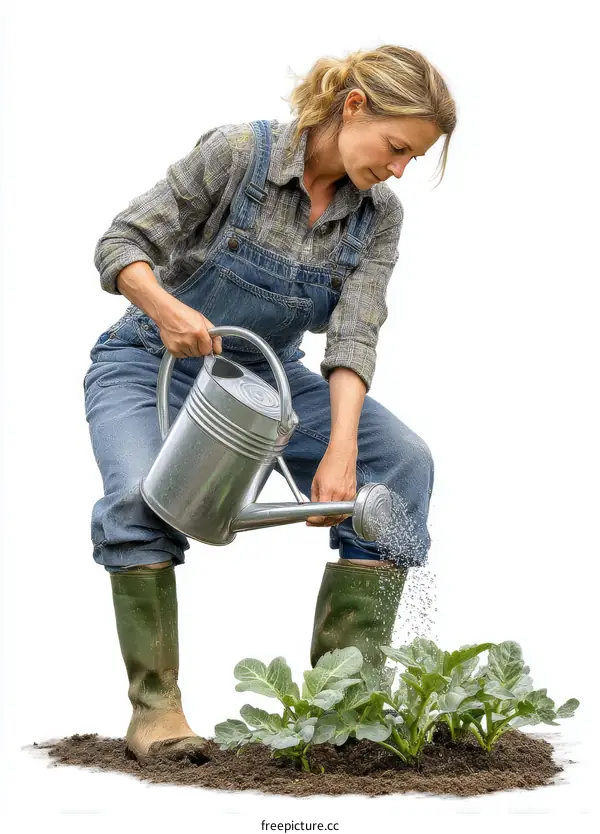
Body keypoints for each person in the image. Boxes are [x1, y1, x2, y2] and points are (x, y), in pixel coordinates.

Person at [84, 44, 456, 763]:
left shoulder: (377, 216)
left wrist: (341, 451)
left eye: (413, 158)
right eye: (397, 146)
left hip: (265, 382)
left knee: (402, 461)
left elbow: (354, 333)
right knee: (136, 497)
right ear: (354, 107)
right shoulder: (238, 155)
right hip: (146, 364)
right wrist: (164, 307)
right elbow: (120, 242)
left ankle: (343, 708)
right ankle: (156, 714)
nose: (399, 168)